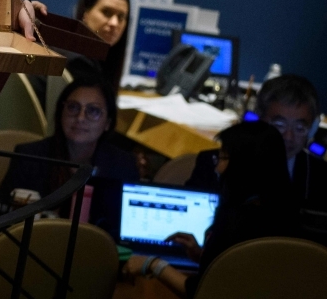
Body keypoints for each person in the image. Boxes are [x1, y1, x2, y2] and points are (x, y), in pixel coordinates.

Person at [124, 121, 299, 297]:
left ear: (244, 165)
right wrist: (202, 255)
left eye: (223, 158)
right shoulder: (284, 215)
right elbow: (235, 276)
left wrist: (153, 264)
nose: (217, 168)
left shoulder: (239, 220)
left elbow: (200, 291)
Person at [187, 74, 327, 211]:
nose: (288, 136)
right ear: (258, 118)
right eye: (279, 125)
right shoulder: (214, 164)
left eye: (300, 128)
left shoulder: (320, 176)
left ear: (312, 128)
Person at [0, 76, 138, 205]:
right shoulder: (29, 156)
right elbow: (0, 217)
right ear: (61, 112)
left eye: (93, 110)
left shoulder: (123, 165)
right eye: (73, 107)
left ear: (108, 122)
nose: (80, 118)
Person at [67, 0, 131, 92]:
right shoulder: (76, 62)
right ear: (85, 14)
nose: (114, 23)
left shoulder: (103, 62)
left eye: (121, 17)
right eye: (106, 12)